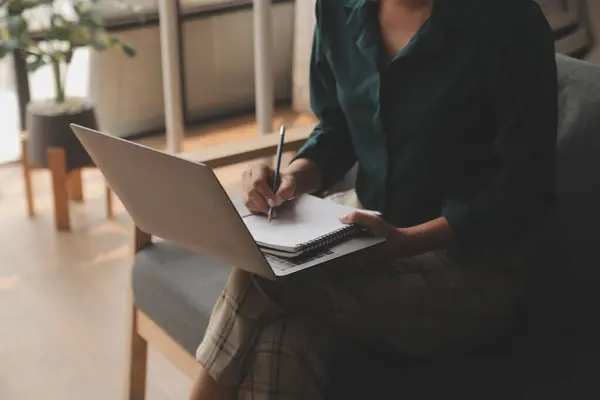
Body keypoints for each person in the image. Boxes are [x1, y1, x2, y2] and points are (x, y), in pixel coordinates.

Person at [190, 0, 558, 398]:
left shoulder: (508, 20)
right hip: (368, 229)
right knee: (281, 344)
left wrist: (407, 241)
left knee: (267, 268)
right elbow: (336, 130)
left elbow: (522, 190)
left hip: (475, 266)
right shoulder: (337, 9)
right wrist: (290, 178)